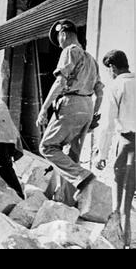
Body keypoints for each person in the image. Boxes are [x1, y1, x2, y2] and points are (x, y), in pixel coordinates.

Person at [37, 19, 104, 199]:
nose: (59, 44)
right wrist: (94, 114)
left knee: (47, 147)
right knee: (71, 156)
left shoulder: (70, 51)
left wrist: (44, 109)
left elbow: (60, 82)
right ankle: (67, 202)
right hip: (87, 106)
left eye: (58, 39)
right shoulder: (91, 59)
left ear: (64, 34)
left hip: (71, 103)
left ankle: (83, 175)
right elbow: (100, 91)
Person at [95, 50, 136, 248]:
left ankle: (123, 244)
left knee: (122, 202)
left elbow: (108, 126)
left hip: (129, 145)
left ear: (112, 68)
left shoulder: (116, 86)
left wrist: (102, 154)